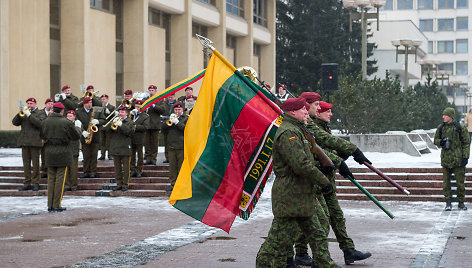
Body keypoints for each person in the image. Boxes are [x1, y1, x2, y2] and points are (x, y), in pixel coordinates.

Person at [256, 97, 338, 268]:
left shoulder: (298, 130)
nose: (307, 113)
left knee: (318, 234)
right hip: (290, 196)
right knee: (277, 242)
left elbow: (306, 160)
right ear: (292, 111)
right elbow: (300, 164)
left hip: (302, 195)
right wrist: (324, 181)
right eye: (303, 109)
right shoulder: (288, 133)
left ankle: (325, 264)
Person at [298, 92, 372, 266]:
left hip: (326, 179)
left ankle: (348, 249)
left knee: (335, 216)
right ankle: (306, 254)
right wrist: (349, 153)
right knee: (314, 220)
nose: (328, 113)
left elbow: (326, 146)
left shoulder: (315, 125)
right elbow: (321, 146)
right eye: (317, 105)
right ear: (307, 106)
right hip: (315, 180)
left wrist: (343, 156)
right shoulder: (308, 125)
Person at [40, 102, 80, 212]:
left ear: (53, 109)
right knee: (60, 180)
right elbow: (75, 136)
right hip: (63, 153)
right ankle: (57, 204)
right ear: (62, 111)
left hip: (49, 152)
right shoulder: (66, 122)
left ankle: (50, 205)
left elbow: (42, 135)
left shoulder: (45, 122)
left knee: (51, 179)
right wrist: (77, 128)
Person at [434, 107, 470, 211]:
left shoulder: (460, 127)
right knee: (446, 184)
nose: (443, 117)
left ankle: (461, 203)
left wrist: (465, 157)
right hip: (446, 160)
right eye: (443, 115)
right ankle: (448, 203)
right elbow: (435, 140)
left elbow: (466, 143)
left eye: (445, 115)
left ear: (450, 116)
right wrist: (441, 142)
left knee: (460, 183)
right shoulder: (441, 127)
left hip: (458, 160)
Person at [12, 97, 43, 191]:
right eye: (28, 103)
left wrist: (30, 116)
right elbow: (15, 122)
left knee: (36, 165)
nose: (29, 105)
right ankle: (27, 183)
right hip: (25, 142)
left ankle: (36, 183)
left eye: (31, 104)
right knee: (26, 165)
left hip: (35, 142)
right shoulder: (24, 113)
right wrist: (20, 113)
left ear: (35, 104)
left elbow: (40, 124)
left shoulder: (40, 113)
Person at [161, 102, 188, 192]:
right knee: (172, 168)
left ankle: (182, 186)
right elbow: (163, 129)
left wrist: (177, 123)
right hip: (171, 146)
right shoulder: (171, 119)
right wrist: (169, 121)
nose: (177, 111)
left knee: (181, 168)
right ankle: (173, 185)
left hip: (181, 146)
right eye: (176, 110)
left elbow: (186, 129)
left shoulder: (185, 118)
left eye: (179, 110)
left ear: (182, 110)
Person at [76, 97, 105, 178]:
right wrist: (82, 131)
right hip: (85, 136)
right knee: (86, 155)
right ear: (84, 104)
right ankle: (86, 171)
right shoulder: (78, 112)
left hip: (95, 136)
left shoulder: (96, 110)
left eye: (91, 103)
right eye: (88, 103)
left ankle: (93, 171)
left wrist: (98, 121)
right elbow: (77, 122)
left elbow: (104, 120)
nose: (90, 104)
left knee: (94, 155)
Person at [108, 106, 135, 191]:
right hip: (115, 147)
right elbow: (107, 131)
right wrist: (111, 124)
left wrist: (121, 125)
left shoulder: (130, 122)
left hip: (125, 148)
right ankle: (119, 184)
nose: (120, 113)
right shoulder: (115, 120)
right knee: (117, 168)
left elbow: (130, 132)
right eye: (119, 112)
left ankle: (125, 184)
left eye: (122, 112)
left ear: (126, 113)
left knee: (126, 168)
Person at [143, 85, 165, 165]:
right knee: (147, 143)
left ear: (156, 91)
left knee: (154, 143)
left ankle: (153, 158)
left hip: (155, 124)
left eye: (152, 90)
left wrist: (154, 105)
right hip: (146, 124)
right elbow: (141, 108)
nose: (151, 92)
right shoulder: (145, 99)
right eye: (150, 90)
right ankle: (147, 158)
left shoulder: (159, 100)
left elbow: (162, 110)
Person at [130, 100, 149, 178]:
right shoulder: (131, 115)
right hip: (131, 137)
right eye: (136, 106)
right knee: (131, 154)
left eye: (139, 107)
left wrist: (135, 126)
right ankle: (132, 170)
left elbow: (145, 127)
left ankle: (139, 170)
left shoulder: (145, 116)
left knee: (140, 155)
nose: (137, 108)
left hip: (139, 137)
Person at [64, 110, 82, 192]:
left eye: (70, 116)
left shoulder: (77, 124)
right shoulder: (63, 124)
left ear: (74, 117)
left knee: (73, 169)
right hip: (65, 149)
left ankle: (74, 185)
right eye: (67, 116)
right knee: (66, 169)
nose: (69, 117)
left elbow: (77, 135)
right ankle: (67, 185)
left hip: (74, 149)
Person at [38, 98, 54, 179]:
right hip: (43, 136)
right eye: (49, 103)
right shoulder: (40, 113)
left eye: (52, 104)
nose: (50, 105)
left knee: (50, 154)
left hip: (52, 137)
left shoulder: (55, 113)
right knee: (43, 154)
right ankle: (44, 170)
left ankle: (50, 170)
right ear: (45, 104)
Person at [160, 93, 177, 164]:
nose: (170, 98)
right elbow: (162, 111)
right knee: (166, 142)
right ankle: (167, 157)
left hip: (174, 124)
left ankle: (173, 157)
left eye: (172, 97)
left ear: (174, 97)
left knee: (173, 142)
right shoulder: (165, 103)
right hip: (166, 123)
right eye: (169, 97)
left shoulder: (177, 103)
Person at [98, 94, 115, 160]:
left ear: (107, 99)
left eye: (104, 99)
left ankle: (109, 154)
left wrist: (109, 112)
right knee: (102, 141)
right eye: (102, 99)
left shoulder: (111, 107)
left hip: (108, 126)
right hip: (101, 126)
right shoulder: (99, 107)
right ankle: (102, 155)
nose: (103, 100)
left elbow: (114, 116)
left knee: (109, 141)